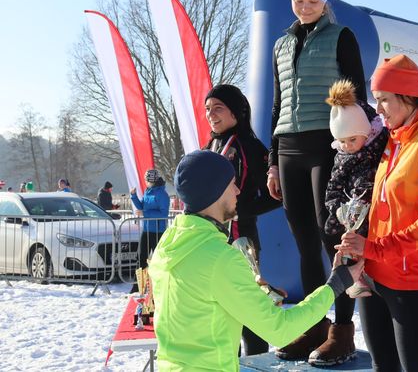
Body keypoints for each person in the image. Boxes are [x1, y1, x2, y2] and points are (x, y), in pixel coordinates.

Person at [149, 150, 363, 371]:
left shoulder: (167, 246)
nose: (238, 190)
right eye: (232, 184)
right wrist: (335, 285)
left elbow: (197, 302)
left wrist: (254, 294)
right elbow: (280, 330)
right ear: (215, 192)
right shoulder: (220, 258)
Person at [266, 0, 368, 365]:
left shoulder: (342, 36)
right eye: (298, 0)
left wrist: (353, 151)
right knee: (305, 245)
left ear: (324, 0)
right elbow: (277, 106)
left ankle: (342, 332)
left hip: (326, 146)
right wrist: (273, 163)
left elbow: (356, 94)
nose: (305, 7)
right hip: (289, 148)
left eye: (312, 0)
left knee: (333, 240)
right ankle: (313, 328)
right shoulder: (280, 45)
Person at [338, 55, 418, 371]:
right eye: (377, 100)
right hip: (373, 274)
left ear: (407, 95)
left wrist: (377, 248)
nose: (379, 109)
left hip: (407, 278)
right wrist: (356, 240)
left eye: (385, 100)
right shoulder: (394, 138)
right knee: (383, 367)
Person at [203, 83, 282, 356]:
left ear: (237, 112)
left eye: (218, 108)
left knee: (248, 311)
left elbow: (276, 195)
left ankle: (257, 362)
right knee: (220, 311)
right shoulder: (211, 144)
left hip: (241, 241)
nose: (211, 114)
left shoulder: (249, 145)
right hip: (210, 242)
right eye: (207, 109)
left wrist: (241, 210)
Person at [324, 80, 388, 298]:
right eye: (342, 141)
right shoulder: (342, 158)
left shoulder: (381, 144)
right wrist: (336, 212)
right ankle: (354, 277)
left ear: (366, 132)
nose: (347, 145)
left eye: (352, 139)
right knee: (351, 239)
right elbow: (333, 187)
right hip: (355, 210)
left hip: (380, 207)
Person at [130, 169, 170, 274]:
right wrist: (133, 196)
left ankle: (159, 283)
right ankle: (137, 285)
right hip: (147, 230)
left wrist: (145, 214)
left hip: (158, 231)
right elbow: (141, 206)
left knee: (158, 259)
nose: (145, 182)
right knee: (141, 257)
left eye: (146, 180)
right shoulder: (147, 191)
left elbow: (163, 214)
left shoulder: (162, 194)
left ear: (150, 180)